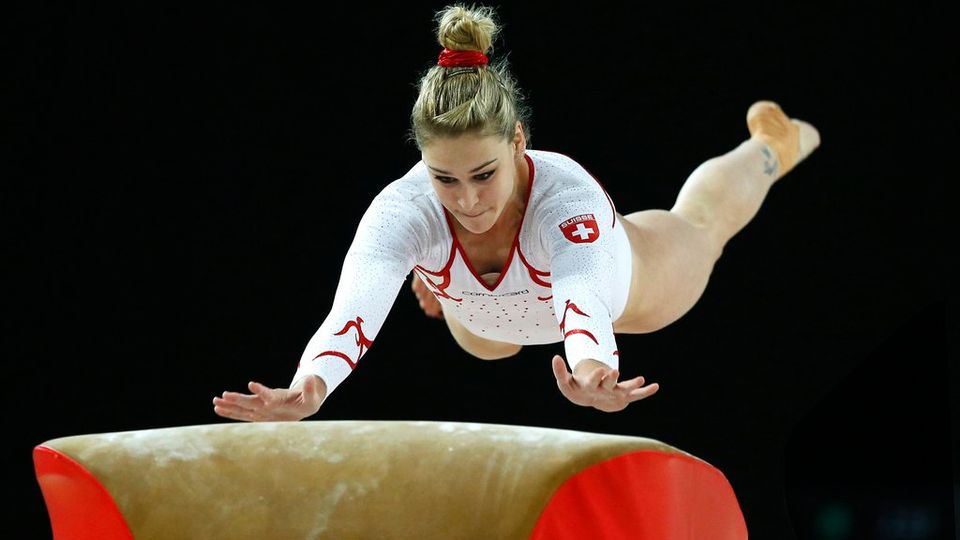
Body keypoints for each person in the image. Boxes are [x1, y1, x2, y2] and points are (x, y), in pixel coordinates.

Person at [212, 3, 820, 421]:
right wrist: (311, 386)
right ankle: (444, 282)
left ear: (518, 143)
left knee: (701, 225)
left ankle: (770, 146)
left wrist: (592, 369)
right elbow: (353, 313)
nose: (468, 201)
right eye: (444, 178)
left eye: (484, 175)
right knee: (481, 336)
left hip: (625, 287)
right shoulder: (402, 209)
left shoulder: (567, 202)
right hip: (485, 328)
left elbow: (582, 296)